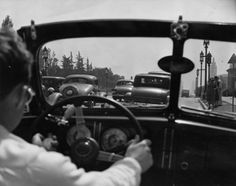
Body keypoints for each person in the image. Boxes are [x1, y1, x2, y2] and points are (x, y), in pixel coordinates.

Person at [0, 30, 153, 186]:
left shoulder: (30, 162)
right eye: (27, 95)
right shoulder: (32, 163)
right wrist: (133, 163)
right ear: (19, 95)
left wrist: (37, 153)